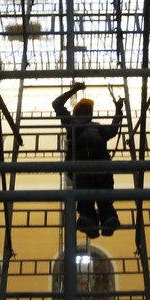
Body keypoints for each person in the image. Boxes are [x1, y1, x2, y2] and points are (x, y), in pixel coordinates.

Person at [52, 83, 125, 238]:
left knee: (102, 195)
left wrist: (119, 110)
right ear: (77, 113)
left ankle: (106, 219)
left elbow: (112, 130)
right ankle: (91, 219)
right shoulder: (71, 123)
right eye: (85, 109)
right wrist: (74, 90)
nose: (88, 111)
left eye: (89, 109)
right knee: (87, 196)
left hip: (97, 166)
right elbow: (56, 104)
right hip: (84, 167)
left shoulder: (95, 127)